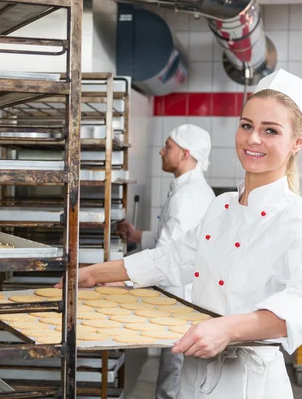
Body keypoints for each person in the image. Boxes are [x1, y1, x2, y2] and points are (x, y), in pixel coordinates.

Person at [59, 69, 302, 398]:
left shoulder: (293, 219)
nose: (253, 139)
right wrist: (90, 274)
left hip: (247, 382)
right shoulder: (221, 207)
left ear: (297, 142)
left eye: (270, 130)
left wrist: (228, 328)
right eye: (246, 125)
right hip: (196, 373)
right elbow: (172, 257)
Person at [118, 123, 215, 399]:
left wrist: (118, 278)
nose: (161, 151)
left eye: (168, 146)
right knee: (173, 380)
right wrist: (138, 235)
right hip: (178, 302)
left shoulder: (189, 196)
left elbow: (169, 259)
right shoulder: (187, 190)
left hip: (181, 306)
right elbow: (174, 240)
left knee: (172, 385)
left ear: (185, 153)